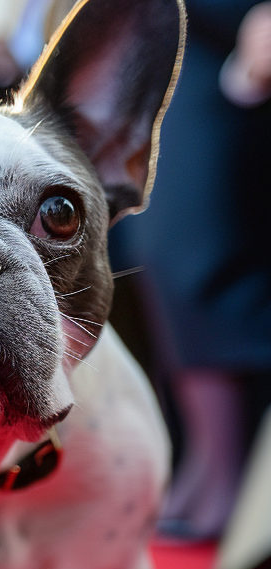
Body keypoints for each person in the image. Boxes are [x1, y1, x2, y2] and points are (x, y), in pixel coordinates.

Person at [110, 0, 271, 539]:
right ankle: (202, 463)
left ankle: (225, 474)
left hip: (218, 46)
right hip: (170, 56)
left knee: (194, 261)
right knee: (153, 260)